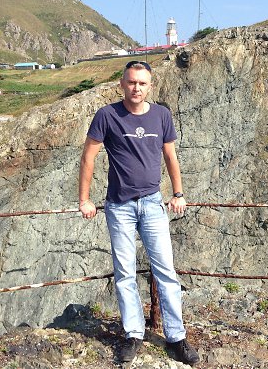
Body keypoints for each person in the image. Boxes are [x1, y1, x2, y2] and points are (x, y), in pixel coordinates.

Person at [78, 61, 200, 365]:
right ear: (122, 84)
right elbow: (88, 157)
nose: (136, 88)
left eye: (142, 83)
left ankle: (176, 338)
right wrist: (84, 199)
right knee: (125, 274)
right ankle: (133, 334)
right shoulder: (107, 115)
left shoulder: (162, 115)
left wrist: (178, 193)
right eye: (131, 82)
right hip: (119, 206)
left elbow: (170, 155)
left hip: (152, 204)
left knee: (166, 272)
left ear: (150, 86)